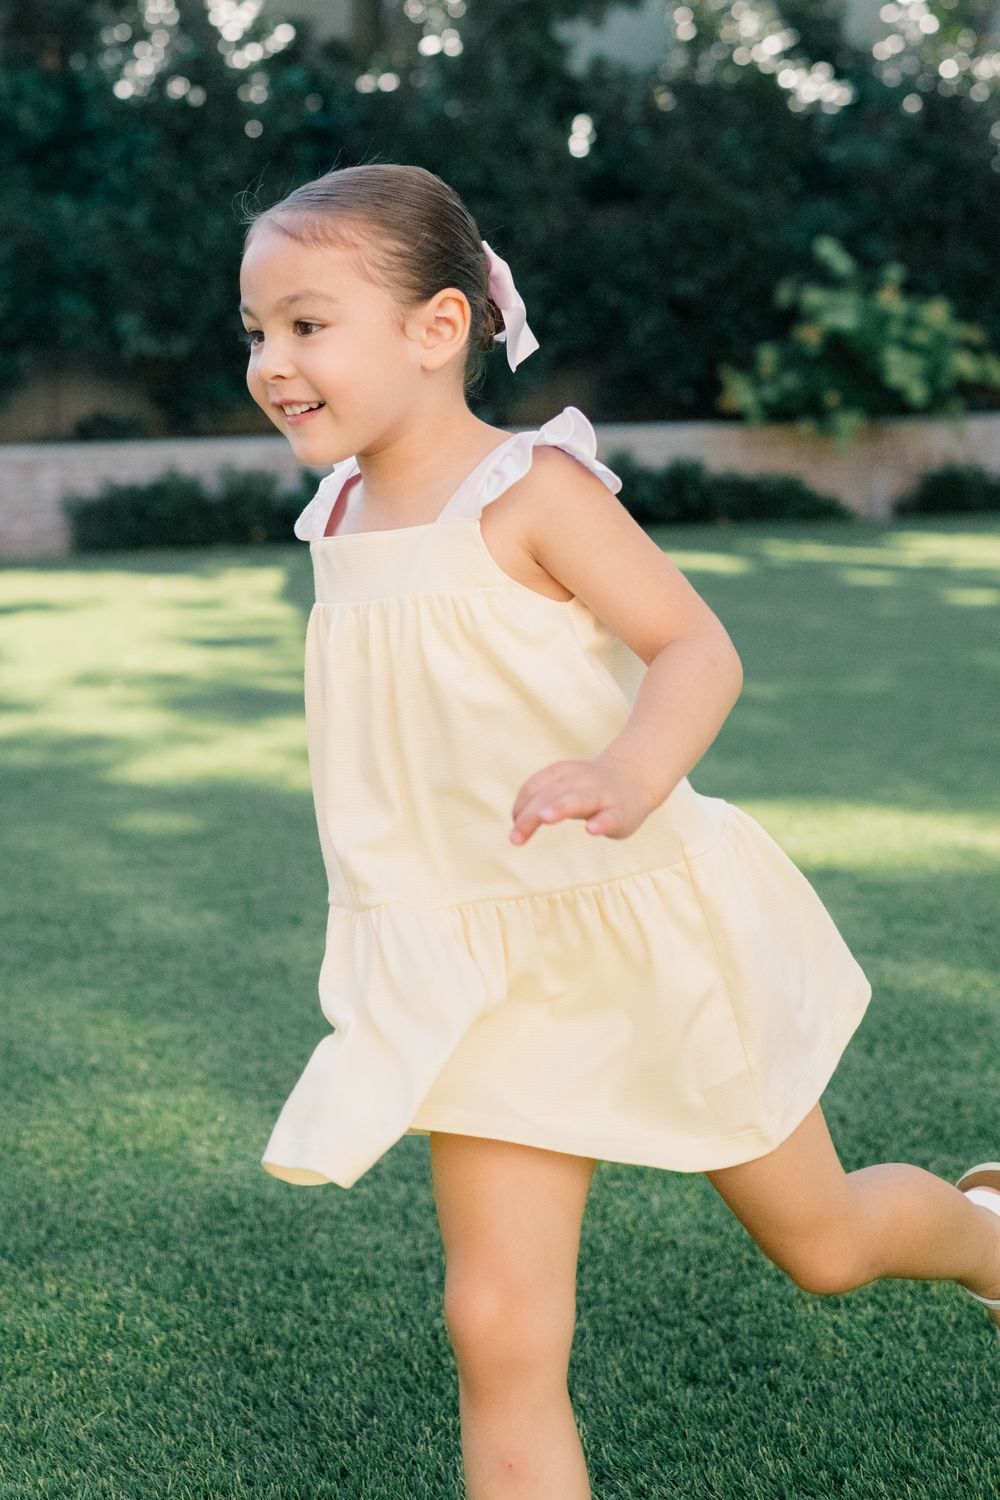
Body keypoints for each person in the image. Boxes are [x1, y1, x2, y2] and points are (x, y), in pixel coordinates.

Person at [239, 162, 1000, 1499]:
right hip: (472, 970)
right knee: (498, 1326)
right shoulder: (340, 512)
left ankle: (989, 1236)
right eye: (257, 332)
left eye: (307, 324)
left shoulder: (533, 493)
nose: (272, 360)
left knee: (823, 1246)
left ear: (437, 329)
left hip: (635, 924)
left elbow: (693, 647)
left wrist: (629, 772)